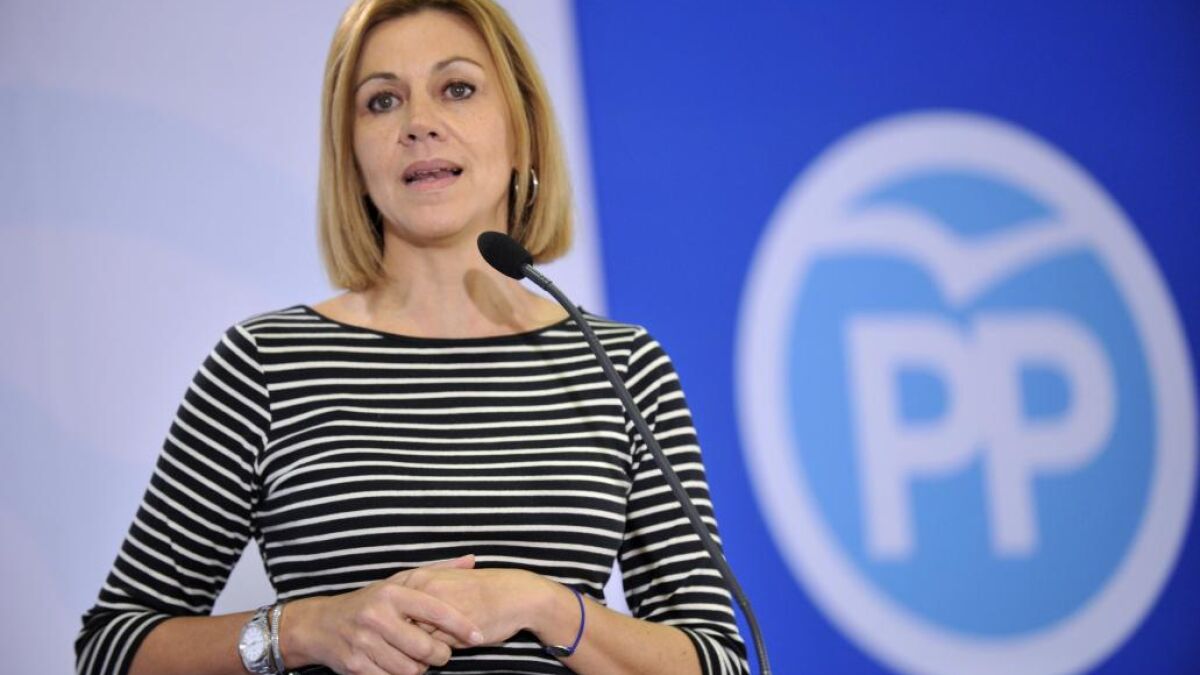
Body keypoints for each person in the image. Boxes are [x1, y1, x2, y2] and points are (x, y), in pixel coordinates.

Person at [75, 1, 749, 673]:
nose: (419, 123)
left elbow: (720, 660)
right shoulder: (264, 364)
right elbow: (111, 649)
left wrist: (546, 605)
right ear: (351, 154)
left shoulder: (622, 366)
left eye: (457, 89)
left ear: (522, 131)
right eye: (382, 101)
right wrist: (304, 628)